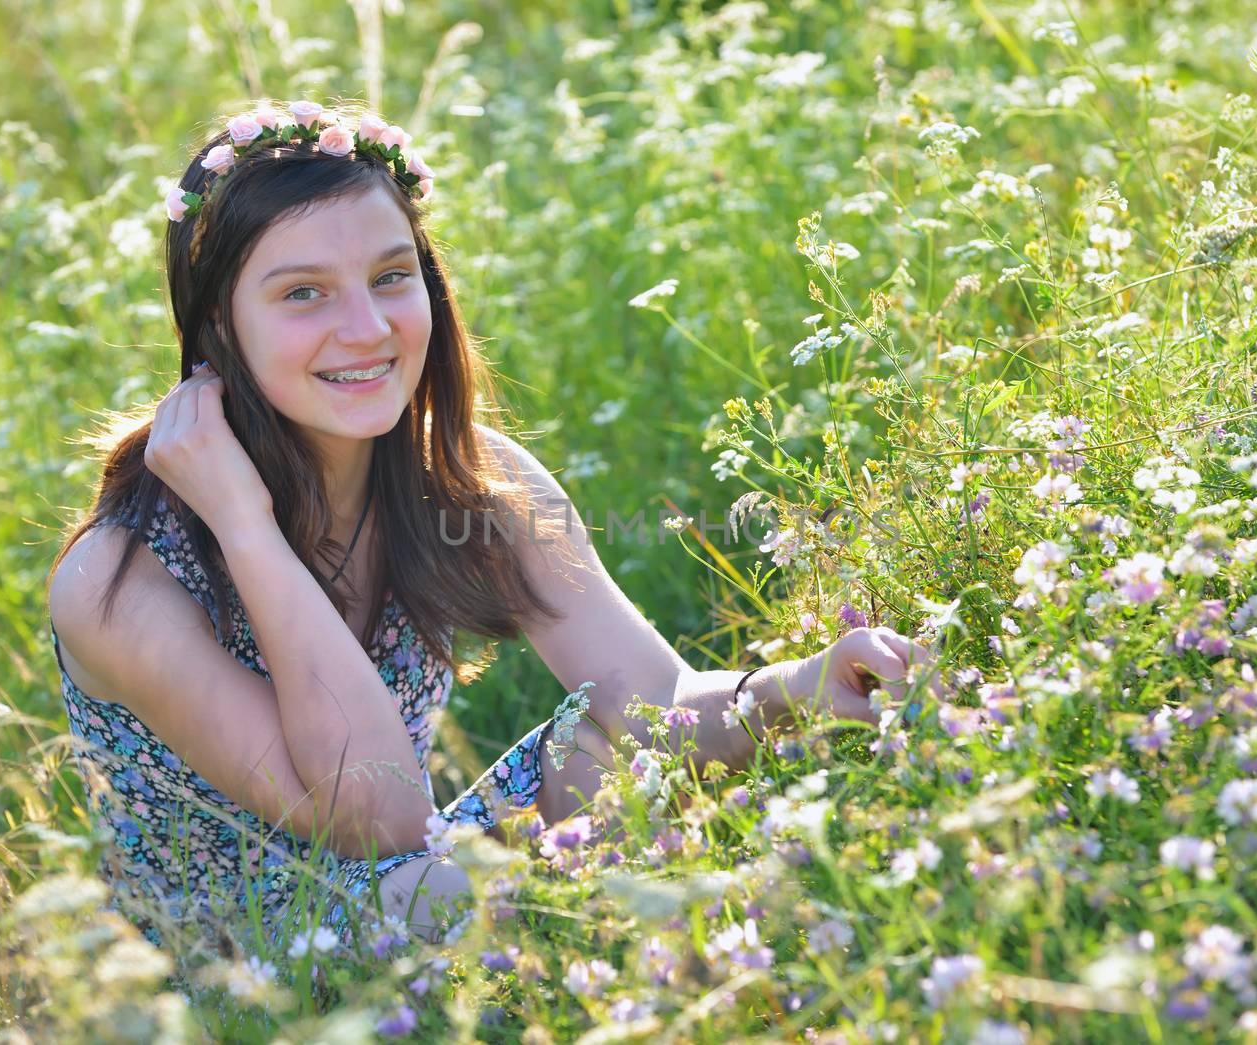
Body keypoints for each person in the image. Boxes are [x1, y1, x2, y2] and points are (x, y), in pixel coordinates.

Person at [45, 97, 932, 955]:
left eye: (391, 277)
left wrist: (796, 688)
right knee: (432, 884)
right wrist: (244, 523)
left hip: (421, 888)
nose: (366, 329)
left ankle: (658, 987)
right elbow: (376, 814)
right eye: (304, 293)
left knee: (611, 751)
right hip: (230, 974)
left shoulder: (469, 479)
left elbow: (651, 707)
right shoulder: (119, 577)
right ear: (217, 329)